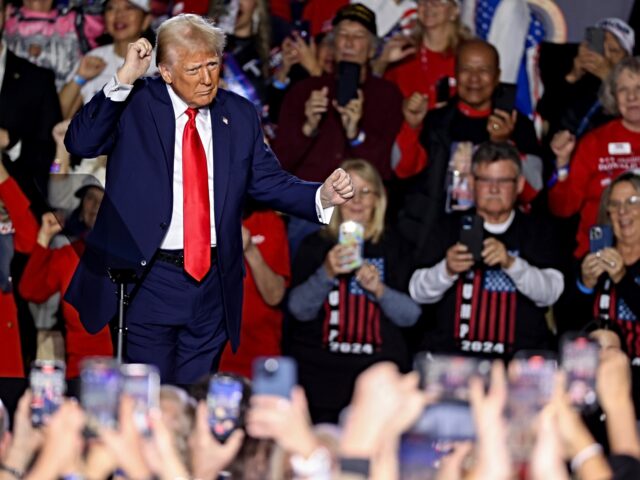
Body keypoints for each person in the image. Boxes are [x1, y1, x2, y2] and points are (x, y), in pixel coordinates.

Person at [63, 14, 354, 385]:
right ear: (165, 72)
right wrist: (122, 79)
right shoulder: (135, 103)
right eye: (193, 68)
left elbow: (266, 180)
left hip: (215, 282)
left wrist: (320, 195)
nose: (206, 78)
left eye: (213, 64)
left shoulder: (238, 113)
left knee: (197, 397)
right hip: (149, 276)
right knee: (151, 398)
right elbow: (81, 143)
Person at [287, 159, 420, 423]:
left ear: (378, 200)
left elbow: (411, 316)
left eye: (366, 191)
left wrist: (379, 289)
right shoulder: (315, 245)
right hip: (321, 379)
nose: (357, 200)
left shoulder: (395, 246)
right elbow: (298, 311)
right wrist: (326, 273)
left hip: (377, 379)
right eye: (348, 191)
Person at [409, 141, 563, 357]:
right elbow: (417, 291)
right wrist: (447, 270)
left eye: (503, 181)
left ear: (519, 184)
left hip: (518, 362)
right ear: (471, 183)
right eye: (485, 180)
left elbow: (551, 294)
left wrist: (511, 264)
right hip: (452, 359)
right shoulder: (447, 226)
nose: (493, 189)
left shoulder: (538, 230)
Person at [394, 39, 542, 247]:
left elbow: (532, 190)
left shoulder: (517, 125)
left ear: (497, 77)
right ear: (455, 73)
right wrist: (411, 127)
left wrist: (503, 145)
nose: (474, 78)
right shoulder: (434, 121)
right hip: (436, 236)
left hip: (499, 239)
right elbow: (402, 170)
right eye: (466, 69)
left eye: (483, 70)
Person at [272, 3, 404, 184]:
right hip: (311, 203)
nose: (349, 42)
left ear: (372, 49)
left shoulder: (387, 95)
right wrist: (308, 128)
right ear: (333, 46)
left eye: (358, 36)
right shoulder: (304, 91)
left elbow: (385, 169)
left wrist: (356, 136)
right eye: (342, 35)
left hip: (359, 204)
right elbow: (279, 165)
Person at [549, 57, 640, 259]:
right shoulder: (594, 142)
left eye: (639, 88)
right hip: (599, 253)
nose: (632, 97)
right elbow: (563, 209)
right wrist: (562, 163)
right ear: (614, 96)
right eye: (623, 90)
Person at [538, 18, 634, 142]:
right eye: (601, 48)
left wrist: (607, 77)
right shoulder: (571, 71)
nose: (606, 56)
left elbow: (629, 120)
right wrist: (573, 76)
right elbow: (544, 114)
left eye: (613, 50)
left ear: (626, 59)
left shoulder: (634, 85)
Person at [58, 0, 157, 119]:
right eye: (111, 8)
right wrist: (80, 78)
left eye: (129, 8)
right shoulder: (94, 59)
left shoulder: (161, 64)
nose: (119, 14)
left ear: (146, 20)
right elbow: (58, 116)